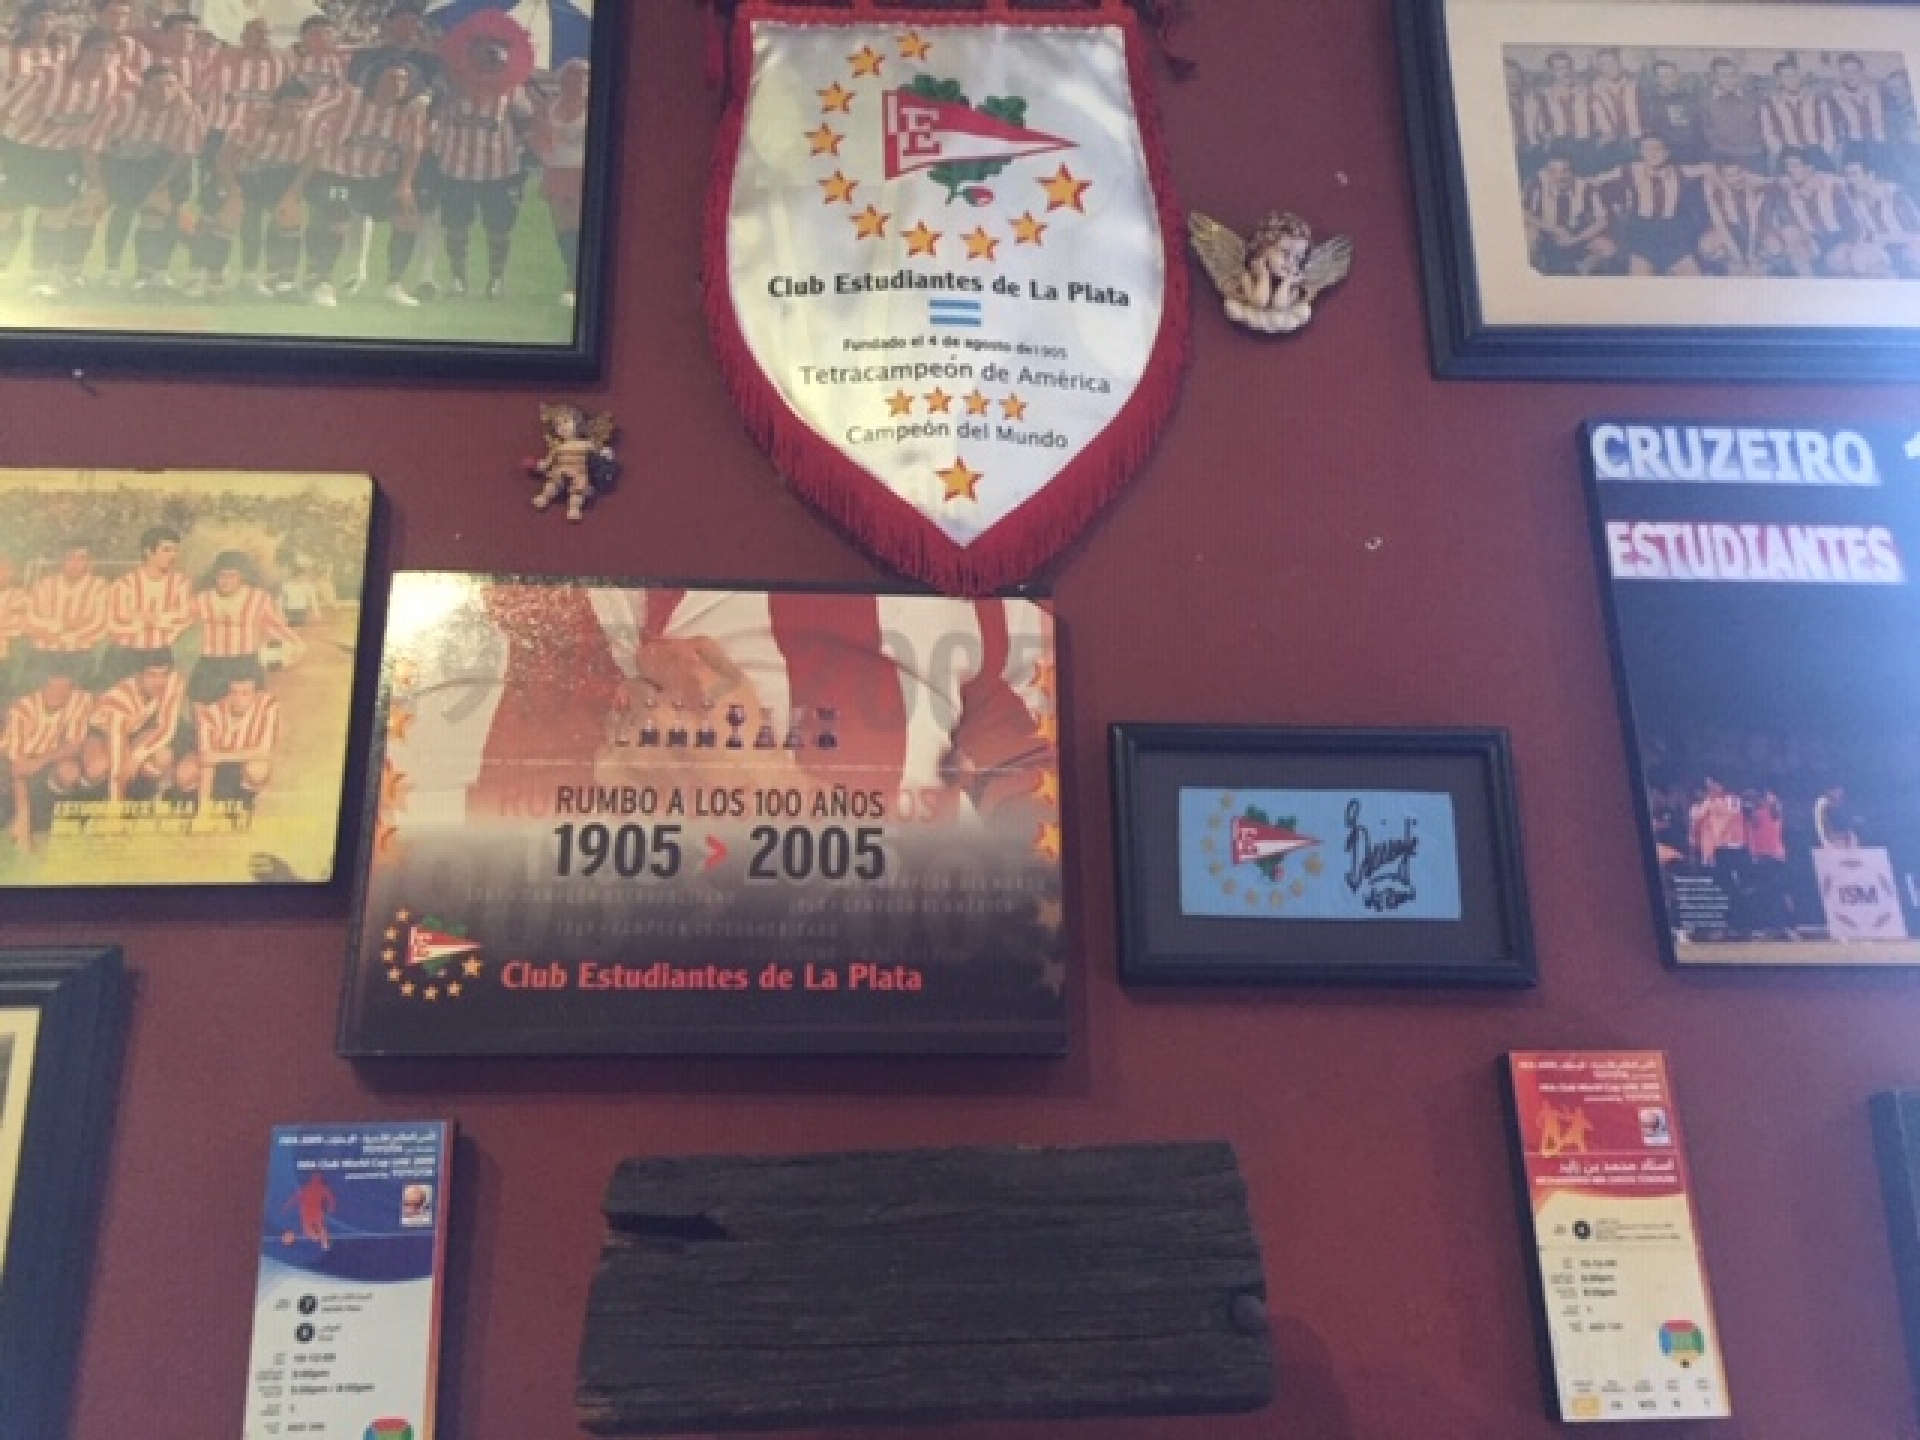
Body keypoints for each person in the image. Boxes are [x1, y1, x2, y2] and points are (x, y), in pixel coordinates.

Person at [0, 27, 125, 294]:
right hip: (22, 149)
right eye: (97, 51)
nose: (103, 58)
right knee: (5, 214)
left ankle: (39, 277)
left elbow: (97, 128)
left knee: (56, 215)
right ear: (82, 51)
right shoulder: (46, 75)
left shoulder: (112, 82)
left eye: (110, 53)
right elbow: (6, 112)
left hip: (62, 155)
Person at [300, 58, 428, 307]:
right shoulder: (350, 99)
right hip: (336, 173)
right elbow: (313, 114)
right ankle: (321, 282)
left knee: (407, 216)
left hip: (378, 176)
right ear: (376, 80)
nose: (397, 84)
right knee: (337, 219)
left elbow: (414, 148)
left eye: (403, 80)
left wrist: (405, 185)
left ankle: (394, 284)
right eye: (391, 78)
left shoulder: (409, 112)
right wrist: (316, 143)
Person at [194, 76, 324, 295]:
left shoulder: (313, 126)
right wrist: (234, 192)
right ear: (276, 106)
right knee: (231, 216)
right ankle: (214, 278)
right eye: (289, 107)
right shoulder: (250, 124)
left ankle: (284, 281)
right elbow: (223, 161)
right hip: (241, 174)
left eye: (301, 107)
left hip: (281, 174)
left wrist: (294, 192)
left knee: (290, 214)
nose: (295, 114)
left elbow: (313, 158)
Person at [85, 58, 204, 290]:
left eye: (171, 85)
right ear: (144, 86)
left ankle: (152, 271)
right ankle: (111, 270)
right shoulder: (121, 104)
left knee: (163, 215)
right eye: (158, 85)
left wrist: (162, 185)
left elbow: (186, 153)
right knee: (123, 210)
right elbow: (91, 145)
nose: (165, 91)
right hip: (123, 163)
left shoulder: (187, 110)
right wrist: (98, 185)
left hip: (163, 165)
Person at [185, 551, 302, 701]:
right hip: (211, 665)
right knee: (203, 708)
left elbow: (275, 626)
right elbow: (179, 618)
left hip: (245, 664)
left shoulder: (258, 598)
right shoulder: (203, 599)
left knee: (245, 711)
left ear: (242, 576)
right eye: (222, 576)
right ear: (215, 576)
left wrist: (294, 646)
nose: (226, 581)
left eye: (232, 576)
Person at [0, 656, 91, 848]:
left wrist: (41, 761)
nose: (58, 693)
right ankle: (20, 822)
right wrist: (24, 824)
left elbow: (74, 745)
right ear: (41, 685)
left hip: (43, 759)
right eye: (52, 687)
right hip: (10, 765)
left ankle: (44, 821)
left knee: (69, 771)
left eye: (64, 688)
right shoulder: (22, 710)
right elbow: (18, 770)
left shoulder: (80, 699)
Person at [80, 648, 185, 800]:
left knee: (162, 757)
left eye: (164, 674)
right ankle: (94, 796)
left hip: (136, 728)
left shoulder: (173, 680)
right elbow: (117, 759)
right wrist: (116, 808)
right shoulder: (119, 700)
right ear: (138, 675)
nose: (159, 682)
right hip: (104, 733)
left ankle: (158, 793)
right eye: (152, 675)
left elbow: (167, 728)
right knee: (99, 768)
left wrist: (136, 758)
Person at [1602, 134, 1708, 275]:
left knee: (1695, 280)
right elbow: (1595, 180)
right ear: (1641, 153)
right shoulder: (1630, 170)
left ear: (1666, 153)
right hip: (1643, 233)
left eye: (1657, 149)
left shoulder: (1680, 171)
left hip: (1672, 233)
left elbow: (1710, 169)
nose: (1652, 153)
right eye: (1647, 149)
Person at [180, 663, 278, 813]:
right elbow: (207, 761)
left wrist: (220, 756)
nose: (238, 699)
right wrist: (203, 812)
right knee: (184, 775)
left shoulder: (268, 705)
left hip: (242, 760)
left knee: (258, 769)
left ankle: (244, 800)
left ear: (257, 694)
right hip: (217, 766)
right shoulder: (211, 714)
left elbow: (264, 752)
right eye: (233, 692)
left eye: (245, 693)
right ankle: (199, 803)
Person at [527, 54, 584, 305]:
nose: (579, 80)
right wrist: (540, 140)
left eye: (583, 76)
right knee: (563, 227)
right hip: (556, 169)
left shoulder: (593, 106)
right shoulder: (551, 106)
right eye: (574, 75)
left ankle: (577, 279)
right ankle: (571, 274)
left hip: (580, 170)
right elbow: (539, 137)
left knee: (579, 224)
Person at [101, 524, 190, 683]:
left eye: (175, 550)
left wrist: (142, 617)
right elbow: (113, 623)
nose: (173, 555)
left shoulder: (180, 583)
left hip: (159, 652)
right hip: (125, 654)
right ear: (148, 552)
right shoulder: (125, 583)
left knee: (158, 697)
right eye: (166, 550)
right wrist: (154, 621)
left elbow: (183, 618)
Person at [1775, 146, 1873, 275]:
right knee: (1795, 251)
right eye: (1787, 166)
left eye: (1795, 166)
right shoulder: (1789, 191)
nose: (1790, 170)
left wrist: (1847, 245)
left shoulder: (1832, 187)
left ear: (1809, 168)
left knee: (1839, 260)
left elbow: (1853, 223)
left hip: (1842, 237)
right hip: (1815, 240)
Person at [25, 543, 109, 679]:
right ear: (62, 560)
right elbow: (31, 618)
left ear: (89, 562)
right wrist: (63, 626)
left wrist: (66, 637)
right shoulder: (44, 585)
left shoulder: (99, 587)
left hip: (80, 653)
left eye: (81, 558)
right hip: (44, 651)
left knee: (78, 691)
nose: (75, 564)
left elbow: (99, 622)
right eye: (70, 558)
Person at [1525, 151, 1615, 274]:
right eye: (1553, 171)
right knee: (1528, 237)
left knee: (1608, 249)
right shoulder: (1538, 185)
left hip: (1576, 235)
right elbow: (1524, 213)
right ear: (1546, 172)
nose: (1559, 177)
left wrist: (1575, 239)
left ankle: (1580, 272)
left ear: (1573, 172)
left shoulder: (1586, 188)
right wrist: (1553, 229)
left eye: (1565, 171)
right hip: (1546, 234)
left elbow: (1602, 221)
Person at [1762, 58, 1838, 171]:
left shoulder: (1817, 99)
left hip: (1815, 151)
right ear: (1779, 79)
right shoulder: (1770, 104)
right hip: (1788, 154)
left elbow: (1828, 125)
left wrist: (1825, 148)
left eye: (1795, 75)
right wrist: (1780, 150)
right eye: (1786, 76)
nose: (1792, 80)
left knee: (1827, 179)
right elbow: (1768, 133)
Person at [1701, 55, 1766, 171]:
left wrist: (1756, 146)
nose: (1730, 80)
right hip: (1723, 156)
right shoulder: (1705, 101)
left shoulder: (1752, 97)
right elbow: (1707, 131)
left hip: (1752, 154)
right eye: (1724, 76)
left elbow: (1762, 124)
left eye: (1733, 75)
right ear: (1714, 77)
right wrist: (1725, 150)